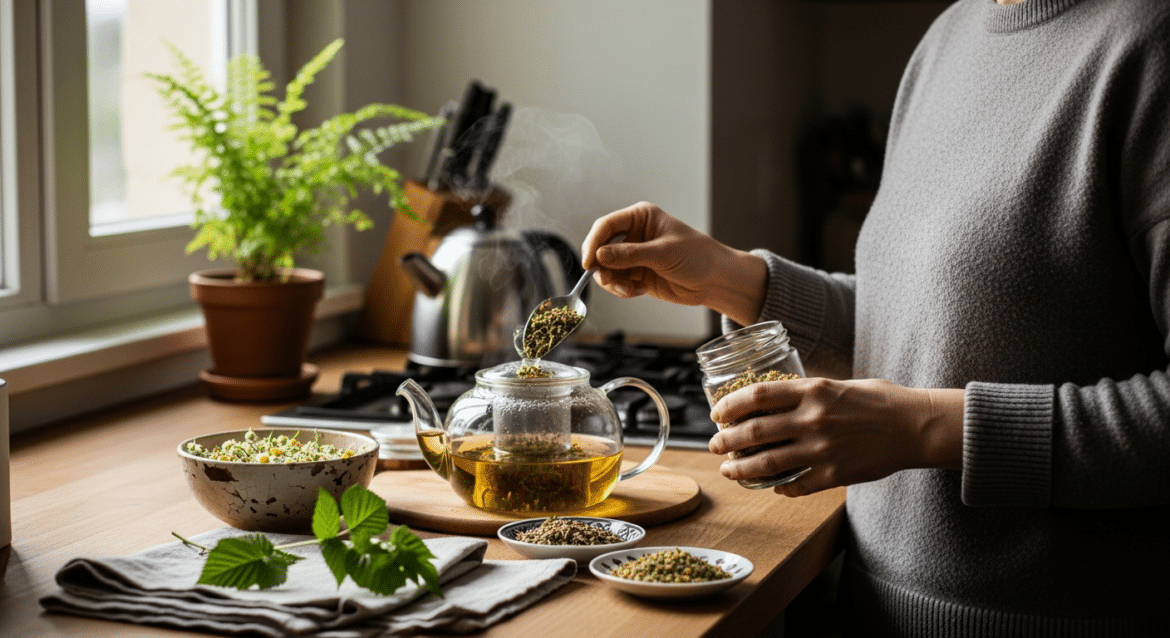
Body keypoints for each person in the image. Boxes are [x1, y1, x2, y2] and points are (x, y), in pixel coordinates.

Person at [580, 0, 1170, 635]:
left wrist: (919, 429)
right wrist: (729, 277)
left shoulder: (1149, 44)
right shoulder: (949, 38)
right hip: (872, 604)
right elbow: (923, 319)